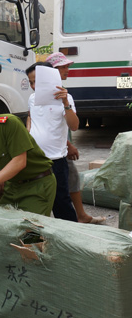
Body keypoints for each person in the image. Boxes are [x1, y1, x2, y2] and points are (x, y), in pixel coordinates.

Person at [46, 52, 106, 224]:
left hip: (62, 147)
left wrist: (68, 143)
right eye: (63, 67)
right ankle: (72, 220)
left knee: (72, 178)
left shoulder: (65, 96)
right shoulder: (39, 98)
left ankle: (80, 215)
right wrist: (68, 144)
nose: (68, 70)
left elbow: (73, 125)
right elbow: (43, 128)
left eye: (67, 66)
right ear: (52, 71)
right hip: (54, 152)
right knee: (61, 192)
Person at [25, 61, 79, 222]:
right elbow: (30, 116)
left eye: (36, 81)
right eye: (31, 82)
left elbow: (74, 126)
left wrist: (65, 104)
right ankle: (36, 240)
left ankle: (71, 239)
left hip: (55, 160)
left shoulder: (66, 98)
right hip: (34, 159)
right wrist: (28, 131)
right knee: (36, 202)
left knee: (61, 202)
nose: (33, 86)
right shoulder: (32, 98)